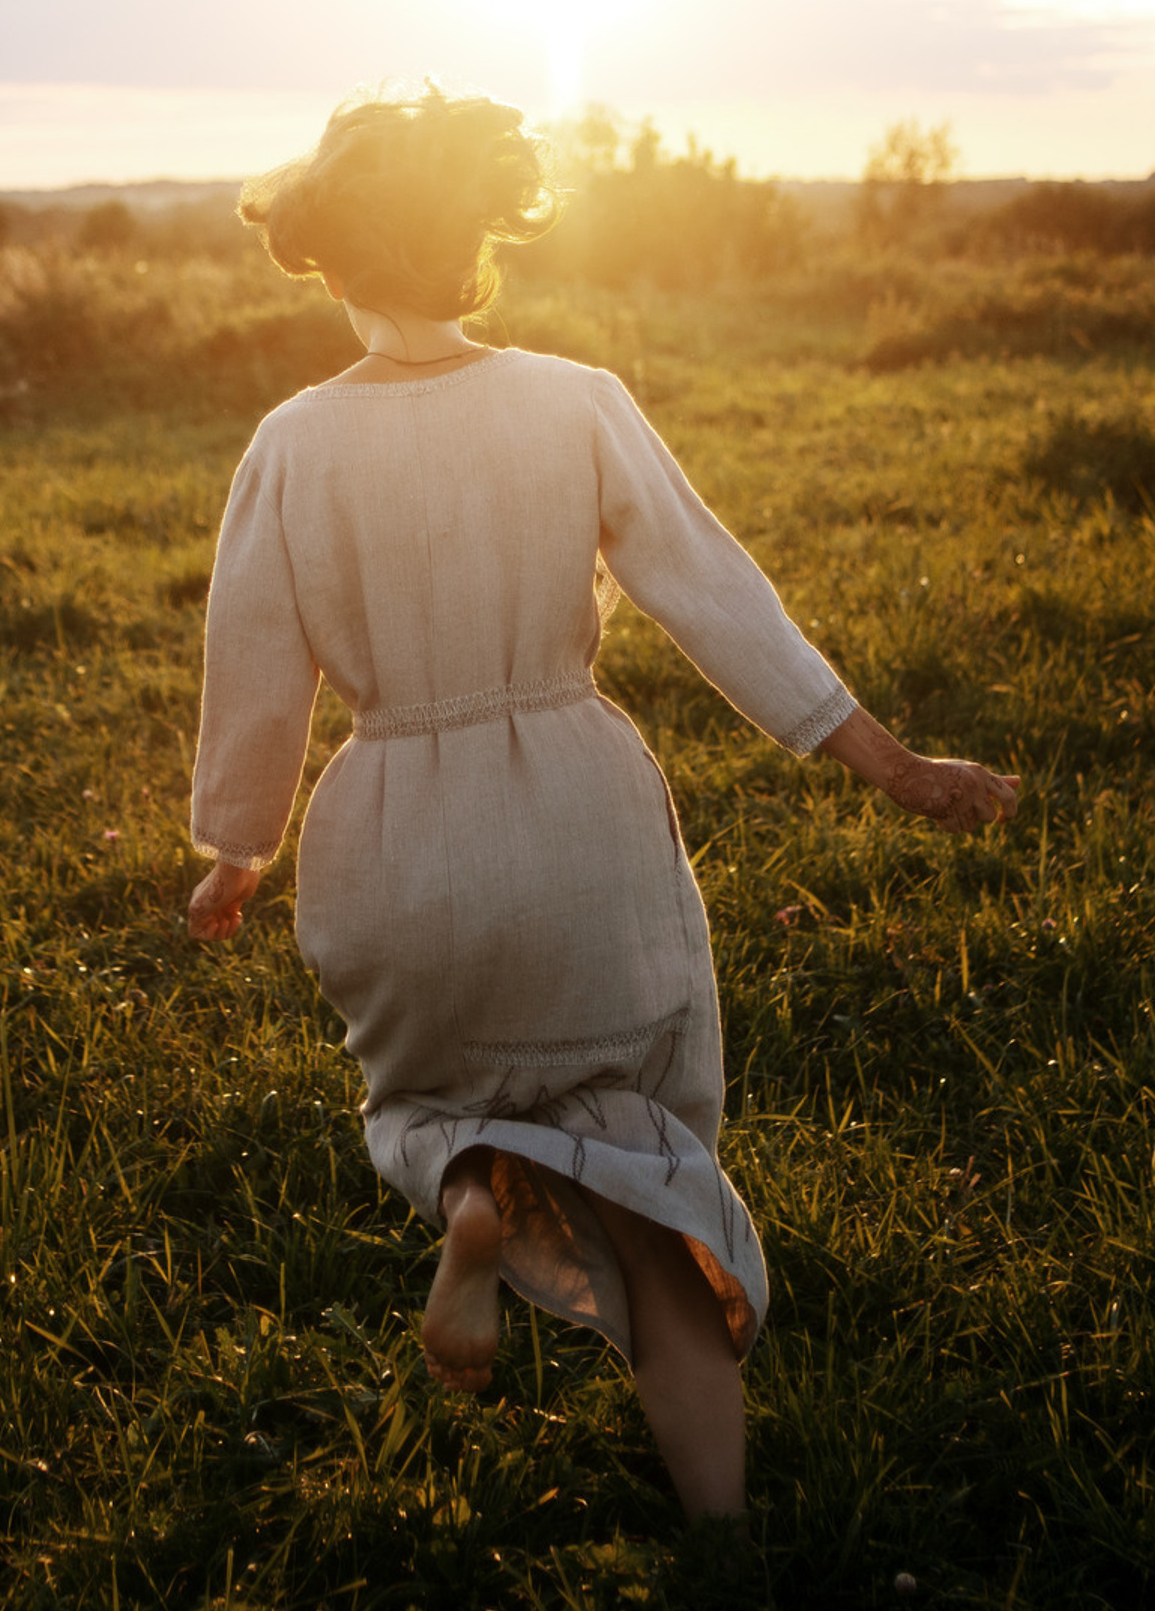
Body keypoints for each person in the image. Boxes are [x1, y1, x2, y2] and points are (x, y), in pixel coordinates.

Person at [184, 86, 1019, 1533]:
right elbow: (719, 602)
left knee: (429, 1105)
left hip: (388, 835)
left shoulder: (291, 445)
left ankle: (471, 1196)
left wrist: (237, 851)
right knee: (649, 1171)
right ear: (483, 242)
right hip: (579, 823)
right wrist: (890, 763)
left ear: (329, 259)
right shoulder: (577, 403)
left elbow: (256, 671)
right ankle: (725, 1532)